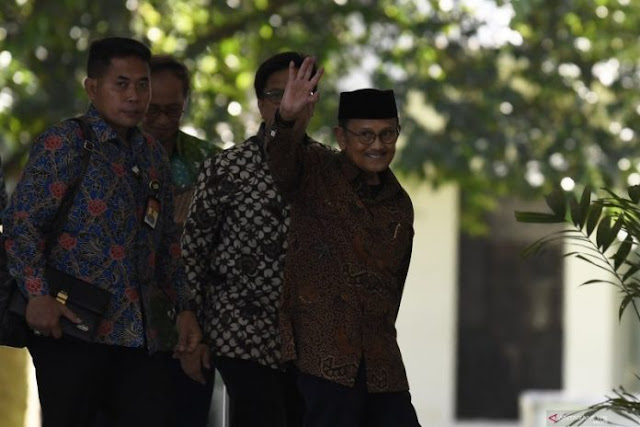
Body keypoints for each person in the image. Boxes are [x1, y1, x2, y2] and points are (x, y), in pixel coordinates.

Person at [3, 36, 201, 427]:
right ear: (92, 88)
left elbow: (165, 245)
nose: (134, 96)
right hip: (70, 327)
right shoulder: (66, 142)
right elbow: (22, 224)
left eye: (142, 84)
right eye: (121, 84)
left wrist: (185, 309)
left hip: (138, 334)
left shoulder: (152, 154)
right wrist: (37, 295)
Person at [264, 57, 422, 427]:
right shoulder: (315, 170)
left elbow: (394, 286)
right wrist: (286, 118)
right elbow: (280, 163)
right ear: (341, 137)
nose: (377, 145)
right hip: (324, 358)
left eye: (387, 134)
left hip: (381, 360)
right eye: (365, 135)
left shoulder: (400, 203)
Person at [181, 51, 312, 427]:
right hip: (239, 333)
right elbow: (193, 252)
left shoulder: (329, 170)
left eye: (299, 92)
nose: (288, 102)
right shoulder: (225, 168)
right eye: (277, 94)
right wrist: (190, 323)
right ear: (259, 103)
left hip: (309, 341)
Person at [142, 54, 221, 427]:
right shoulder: (106, 156)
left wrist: (204, 336)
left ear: (186, 104)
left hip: (189, 337)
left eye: (172, 111)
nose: (161, 120)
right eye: (152, 110)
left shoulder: (210, 163)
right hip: (117, 336)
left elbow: (224, 258)